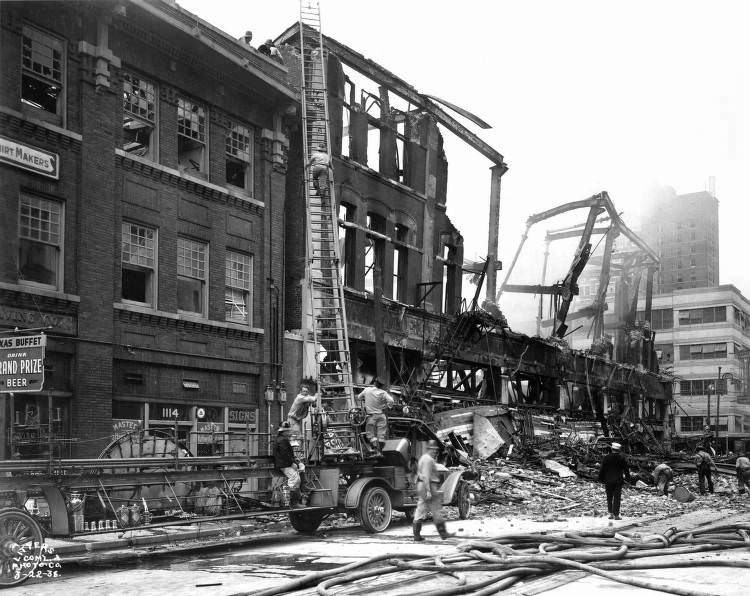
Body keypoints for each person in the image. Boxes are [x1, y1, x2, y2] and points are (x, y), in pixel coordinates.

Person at [413, 440, 453, 542]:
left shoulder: (423, 458)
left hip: (422, 485)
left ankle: (416, 536)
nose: (435, 452)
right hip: (429, 486)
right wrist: (429, 491)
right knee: (435, 510)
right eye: (433, 450)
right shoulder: (428, 460)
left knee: (420, 509)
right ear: (429, 449)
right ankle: (444, 534)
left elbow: (418, 473)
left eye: (436, 450)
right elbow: (426, 476)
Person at [357, 378, 394, 456]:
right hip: (381, 416)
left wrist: (366, 400)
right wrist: (387, 406)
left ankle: (374, 452)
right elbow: (391, 401)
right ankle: (379, 452)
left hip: (371, 417)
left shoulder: (367, 390)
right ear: (381, 386)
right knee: (381, 436)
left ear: (374, 382)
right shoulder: (383, 393)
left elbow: (359, 397)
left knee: (370, 435)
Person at [273, 421, 303, 508]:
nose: (290, 432)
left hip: (283, 464)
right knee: (295, 479)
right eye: (288, 431)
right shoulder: (283, 440)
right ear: (285, 431)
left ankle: (293, 502)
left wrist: (294, 461)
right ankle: (292, 503)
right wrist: (292, 463)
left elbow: (286, 453)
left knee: (297, 478)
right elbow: (285, 454)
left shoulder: (280, 439)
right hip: (284, 464)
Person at [598, 442, 631, 520]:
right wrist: (628, 480)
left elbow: (602, 469)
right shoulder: (622, 458)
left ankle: (611, 514)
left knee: (609, 496)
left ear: (612, 449)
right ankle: (616, 515)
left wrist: (601, 479)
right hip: (618, 480)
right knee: (617, 497)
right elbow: (626, 470)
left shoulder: (606, 457)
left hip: (608, 480)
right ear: (619, 450)